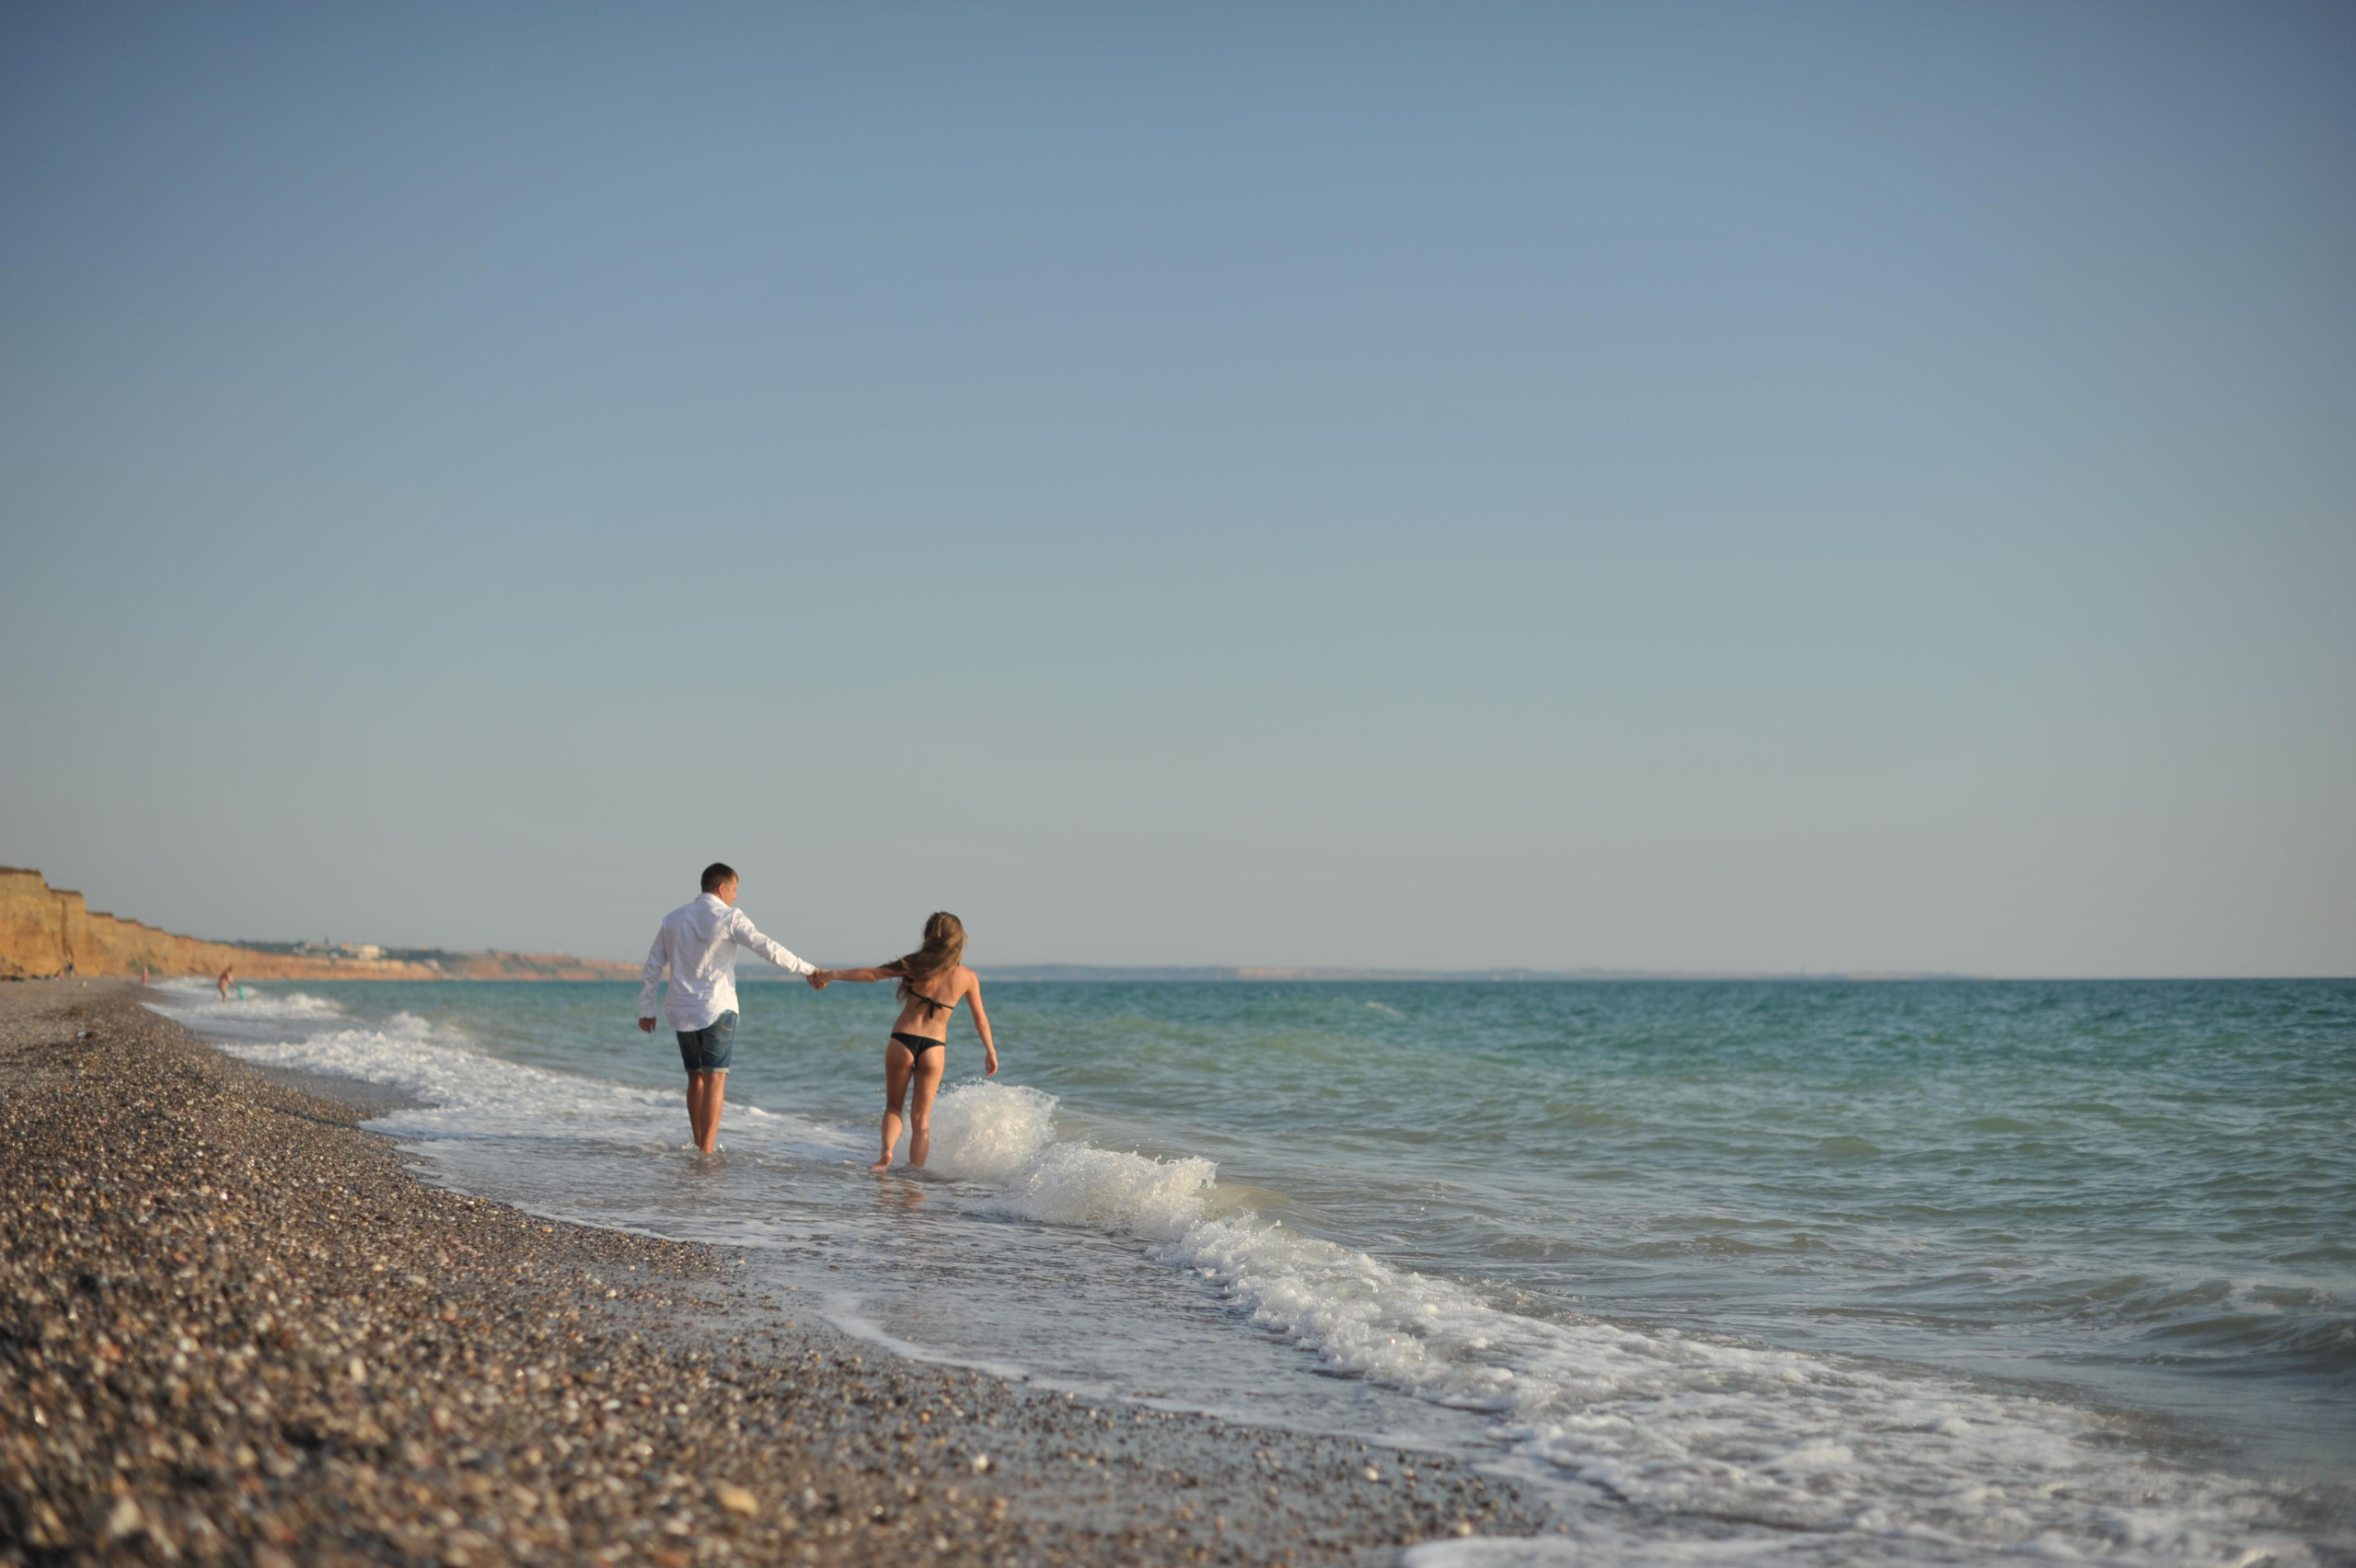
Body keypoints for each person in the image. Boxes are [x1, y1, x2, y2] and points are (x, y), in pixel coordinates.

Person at [638, 862, 821, 1154]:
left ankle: (700, 1144)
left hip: (681, 1009)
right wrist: (807, 969)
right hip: (716, 1006)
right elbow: (767, 947)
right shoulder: (729, 917)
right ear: (721, 888)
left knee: (695, 1077)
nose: (736, 897)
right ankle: (706, 1152)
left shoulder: (672, 919)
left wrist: (647, 1008)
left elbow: (653, 965)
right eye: (735, 890)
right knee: (715, 1077)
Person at [809, 912, 997, 1173]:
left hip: (903, 1041)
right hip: (934, 1047)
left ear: (930, 935)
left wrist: (831, 974)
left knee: (894, 1106)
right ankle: (914, 1174)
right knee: (921, 1121)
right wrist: (990, 1050)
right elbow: (981, 1019)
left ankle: (886, 1153)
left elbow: (873, 974)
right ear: (959, 940)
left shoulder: (917, 964)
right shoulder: (967, 977)